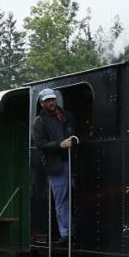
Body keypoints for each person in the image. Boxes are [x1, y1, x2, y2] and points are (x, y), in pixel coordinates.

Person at [30, 87, 78, 244]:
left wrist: (75, 140)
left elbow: (76, 132)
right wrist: (60, 145)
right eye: (47, 101)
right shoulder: (39, 122)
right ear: (42, 103)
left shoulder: (67, 116)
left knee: (76, 196)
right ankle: (66, 232)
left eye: (52, 99)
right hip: (56, 165)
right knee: (61, 200)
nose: (51, 103)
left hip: (73, 161)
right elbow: (40, 144)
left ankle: (76, 228)